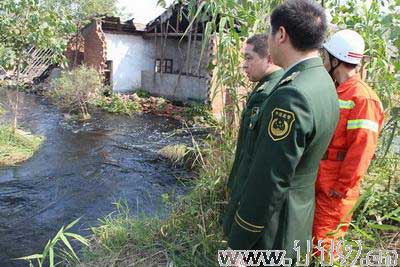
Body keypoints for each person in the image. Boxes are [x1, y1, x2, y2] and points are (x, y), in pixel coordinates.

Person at [223, 0, 339, 261]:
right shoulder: (323, 81)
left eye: (270, 33)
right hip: (298, 217)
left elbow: (270, 180)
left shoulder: (291, 95)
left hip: (273, 231)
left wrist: (240, 241)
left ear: (282, 34)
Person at [313, 29, 384, 251]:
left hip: (336, 186)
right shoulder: (337, 90)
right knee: (311, 239)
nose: (323, 61)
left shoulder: (362, 98)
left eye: (326, 57)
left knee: (325, 244)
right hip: (320, 176)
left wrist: (341, 186)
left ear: (336, 60)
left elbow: (362, 150)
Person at [227, 34, 284, 195]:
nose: (244, 66)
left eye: (249, 58)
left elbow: (255, 152)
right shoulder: (267, 84)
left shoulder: (267, 93)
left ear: (269, 59)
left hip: (249, 188)